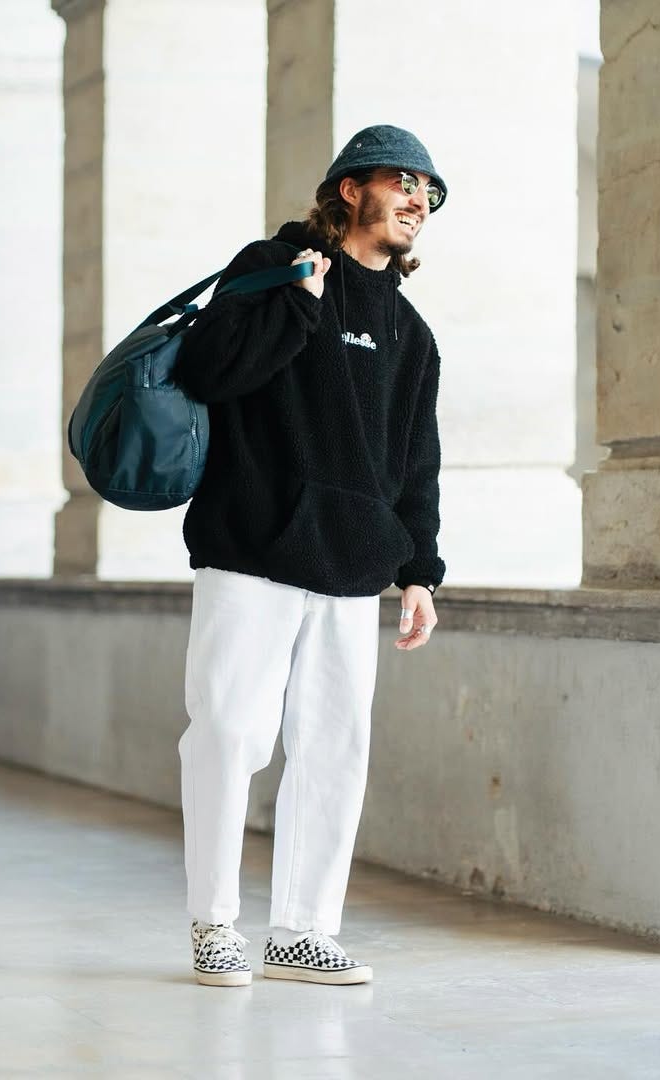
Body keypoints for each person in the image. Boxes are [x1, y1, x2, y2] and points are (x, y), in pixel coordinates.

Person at [172, 124, 447, 987]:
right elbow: (211, 370)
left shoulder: (413, 336)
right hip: (250, 549)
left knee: (333, 749)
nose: (416, 199)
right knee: (226, 733)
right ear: (346, 189)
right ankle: (214, 923)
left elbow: (414, 464)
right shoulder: (273, 265)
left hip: (351, 565)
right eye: (402, 179)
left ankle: (301, 929)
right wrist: (296, 296)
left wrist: (419, 573)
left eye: (428, 192)